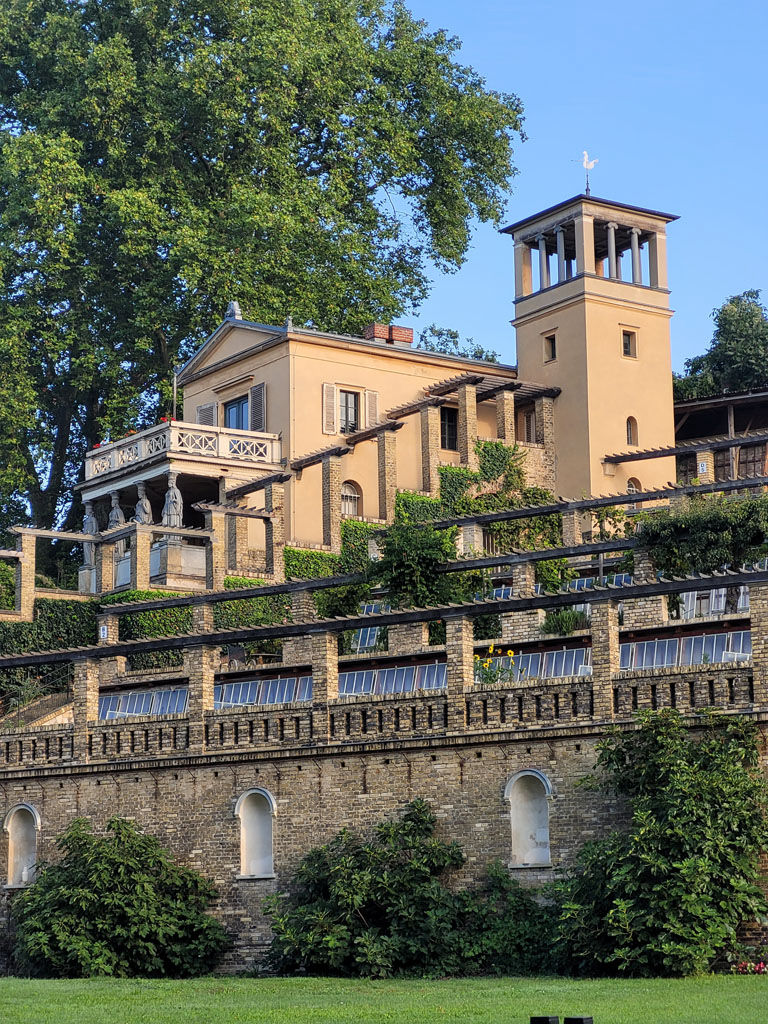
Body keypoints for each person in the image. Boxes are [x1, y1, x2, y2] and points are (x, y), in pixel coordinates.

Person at [108, 492, 126, 558]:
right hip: (112, 528)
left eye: (113, 502)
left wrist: (114, 519)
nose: (111, 503)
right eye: (111, 502)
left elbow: (121, 520)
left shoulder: (119, 511)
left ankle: (119, 552)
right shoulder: (111, 512)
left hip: (117, 527)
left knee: (118, 542)